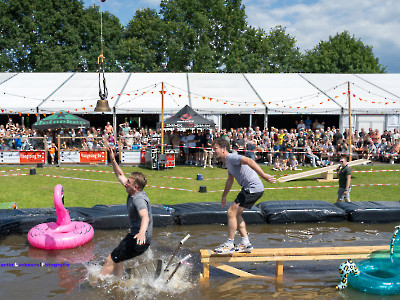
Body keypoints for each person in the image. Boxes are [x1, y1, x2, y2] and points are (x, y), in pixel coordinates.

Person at [211, 138, 276, 254]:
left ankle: (229, 244)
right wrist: (224, 196)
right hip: (250, 188)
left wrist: (264, 176)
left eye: (215, 148)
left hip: (252, 188)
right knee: (236, 214)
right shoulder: (228, 162)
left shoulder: (231, 157)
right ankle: (245, 243)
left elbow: (249, 161)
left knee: (231, 212)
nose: (213, 151)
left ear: (223, 149)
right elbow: (230, 180)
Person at [100, 147, 152, 277]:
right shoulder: (133, 189)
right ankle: (119, 280)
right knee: (118, 258)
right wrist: (113, 160)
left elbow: (145, 217)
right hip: (136, 237)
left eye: (128, 182)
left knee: (111, 259)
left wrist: (141, 233)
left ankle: (94, 283)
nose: (125, 183)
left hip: (139, 240)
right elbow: (120, 175)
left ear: (135, 187)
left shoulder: (138, 199)